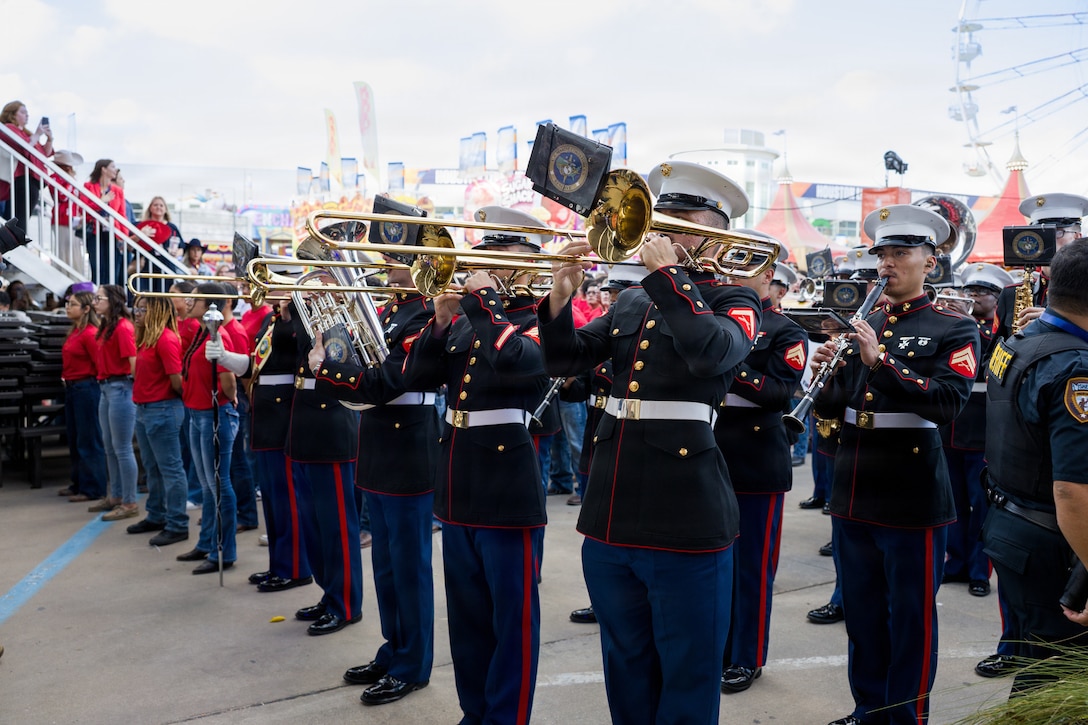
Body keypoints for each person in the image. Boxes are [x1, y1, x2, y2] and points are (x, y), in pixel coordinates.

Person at [540, 160, 763, 725]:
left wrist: (669, 279)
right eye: (658, 217)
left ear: (711, 231)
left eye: (677, 220)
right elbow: (566, 360)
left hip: (685, 514)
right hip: (611, 511)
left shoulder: (736, 299)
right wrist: (560, 300)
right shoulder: (633, 300)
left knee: (687, 674)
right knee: (626, 664)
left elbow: (712, 353)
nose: (658, 231)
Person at [813, 205, 980, 725]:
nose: (887, 264)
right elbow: (834, 406)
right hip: (854, 487)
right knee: (862, 616)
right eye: (882, 254)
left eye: (901, 253)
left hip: (911, 494)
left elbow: (948, 402)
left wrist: (878, 362)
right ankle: (868, 708)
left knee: (909, 618)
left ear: (930, 262)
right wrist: (823, 376)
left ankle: (905, 717)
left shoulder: (954, 327)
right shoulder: (870, 320)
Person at [401, 205, 552, 724]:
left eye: (493, 254)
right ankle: (475, 712)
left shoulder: (536, 320)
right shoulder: (470, 322)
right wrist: (440, 321)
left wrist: (484, 301)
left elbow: (515, 364)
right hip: (459, 480)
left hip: (508, 487)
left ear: (526, 262)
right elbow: (418, 376)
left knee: (512, 621)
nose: (478, 262)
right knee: (466, 618)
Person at [310, 211, 439, 705]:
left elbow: (384, 382)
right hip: (382, 443)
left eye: (396, 256)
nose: (385, 263)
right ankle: (394, 649)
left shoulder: (425, 314)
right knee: (385, 564)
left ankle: (413, 664)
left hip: (409, 445)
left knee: (408, 566)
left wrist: (330, 368)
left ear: (420, 261)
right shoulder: (388, 310)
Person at [979, 240, 1088, 696]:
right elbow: (1073, 491)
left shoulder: (1022, 339)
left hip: (1012, 523)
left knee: (1041, 667)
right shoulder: (1076, 367)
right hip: (1054, 541)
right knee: (1060, 680)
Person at [717, 242, 808, 694]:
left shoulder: (785, 330)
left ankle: (746, 657)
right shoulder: (713, 316)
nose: (735, 276)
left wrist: (726, 357)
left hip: (755, 459)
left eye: (747, 268)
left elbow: (777, 394)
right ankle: (717, 646)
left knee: (750, 567)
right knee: (712, 564)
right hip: (707, 454)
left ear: (769, 276)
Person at [283, 283, 362, 635]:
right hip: (304, 429)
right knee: (312, 526)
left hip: (331, 431)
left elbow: (338, 366)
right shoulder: (309, 318)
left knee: (336, 529)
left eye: (325, 281)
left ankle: (345, 603)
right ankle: (329, 592)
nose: (315, 289)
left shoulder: (343, 321)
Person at [941, 263, 1014, 598]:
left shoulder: (1000, 331)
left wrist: (969, 324)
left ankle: (979, 571)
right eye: (969, 291)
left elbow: (991, 361)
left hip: (981, 430)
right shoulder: (954, 326)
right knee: (953, 503)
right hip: (951, 427)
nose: (973, 297)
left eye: (982, 292)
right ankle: (954, 563)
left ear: (997, 298)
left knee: (980, 505)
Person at [243, 299, 312, 592]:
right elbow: (260, 360)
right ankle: (278, 563)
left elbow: (302, 352)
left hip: (284, 410)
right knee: (272, 497)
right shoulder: (269, 320)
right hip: (267, 412)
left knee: (287, 498)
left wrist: (291, 310)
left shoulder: (299, 317)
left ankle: (295, 567)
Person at [174, 287, 240, 574]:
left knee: (218, 484)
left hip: (215, 413)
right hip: (197, 412)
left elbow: (228, 381)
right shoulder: (202, 332)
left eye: (195, 299)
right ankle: (207, 543)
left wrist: (226, 400)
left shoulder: (217, 334)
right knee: (207, 485)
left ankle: (223, 550)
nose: (189, 302)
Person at [125, 295, 190, 546]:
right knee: (152, 467)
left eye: (142, 309)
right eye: (136, 308)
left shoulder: (165, 340)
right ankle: (157, 514)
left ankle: (177, 523)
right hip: (145, 409)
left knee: (171, 469)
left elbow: (177, 381)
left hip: (162, 409)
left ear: (157, 313)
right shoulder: (147, 339)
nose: (137, 313)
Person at [994, 193, 1087, 339]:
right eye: (1041, 234)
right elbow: (993, 354)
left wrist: (1056, 322)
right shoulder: (1010, 294)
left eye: (1057, 233)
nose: (1047, 241)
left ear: (1077, 237)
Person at [91, 284, 140, 521]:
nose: (94, 302)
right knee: (110, 446)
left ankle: (129, 501)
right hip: (107, 388)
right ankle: (117, 496)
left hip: (121, 388)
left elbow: (133, 362)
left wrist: (137, 392)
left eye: (99, 298)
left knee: (121, 447)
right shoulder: (107, 326)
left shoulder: (122, 327)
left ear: (112, 301)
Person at [60, 283, 108, 505]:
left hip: (86, 389)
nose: (68, 307)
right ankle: (78, 483)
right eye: (68, 303)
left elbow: (99, 363)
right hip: (73, 388)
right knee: (76, 439)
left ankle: (93, 487)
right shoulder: (75, 331)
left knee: (89, 440)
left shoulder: (90, 334)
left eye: (73, 304)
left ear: (86, 309)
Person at [0, 100, 53, 229]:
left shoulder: (27, 133)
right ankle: (15, 244)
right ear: (12, 114)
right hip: (20, 177)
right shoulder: (8, 128)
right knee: (18, 218)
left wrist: (49, 139)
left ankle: (15, 243)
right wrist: (37, 135)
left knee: (20, 217)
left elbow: (44, 154)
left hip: (32, 179)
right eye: (23, 112)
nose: (27, 115)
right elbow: (23, 147)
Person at [82, 159, 126, 285]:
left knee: (112, 269)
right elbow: (84, 209)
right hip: (94, 232)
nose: (115, 170)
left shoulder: (118, 191)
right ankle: (98, 297)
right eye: (112, 166)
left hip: (113, 233)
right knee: (97, 268)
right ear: (103, 169)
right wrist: (102, 201)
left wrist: (123, 236)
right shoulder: (88, 187)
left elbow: (122, 215)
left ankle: (111, 298)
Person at [49, 150, 86, 277]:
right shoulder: (54, 178)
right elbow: (62, 196)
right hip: (62, 219)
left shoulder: (68, 179)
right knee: (65, 251)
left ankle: (75, 277)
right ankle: (64, 276)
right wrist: (70, 181)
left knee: (74, 251)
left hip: (73, 219)